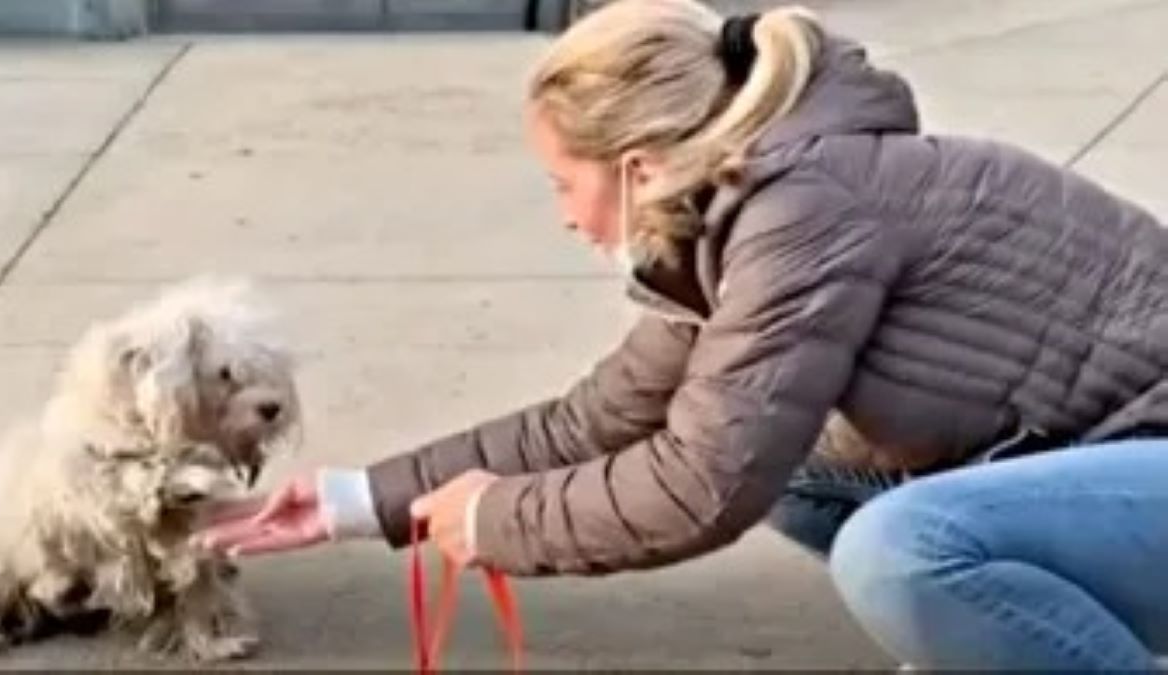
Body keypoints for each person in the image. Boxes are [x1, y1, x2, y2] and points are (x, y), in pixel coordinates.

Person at [198, 0, 1168, 669]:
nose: (563, 214)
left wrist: (498, 521)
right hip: (1109, 464)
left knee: (902, 550)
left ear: (637, 165)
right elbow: (602, 419)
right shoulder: (738, 217)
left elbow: (701, 487)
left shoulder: (807, 212)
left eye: (562, 182)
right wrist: (360, 502)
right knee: (797, 467)